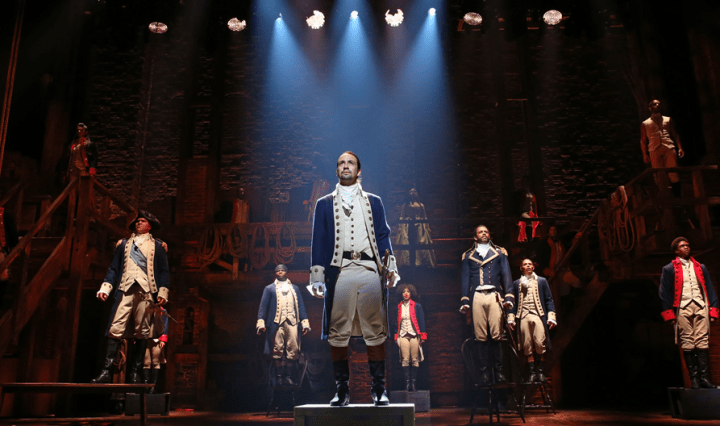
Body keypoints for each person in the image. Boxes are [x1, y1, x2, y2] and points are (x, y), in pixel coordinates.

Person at [309, 151, 400, 406]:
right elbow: (318, 240)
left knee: (375, 330)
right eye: (341, 163)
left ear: (359, 171)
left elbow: (383, 236)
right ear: (336, 170)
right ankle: (342, 390)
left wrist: (390, 267)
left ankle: (379, 389)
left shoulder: (374, 202)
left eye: (350, 163)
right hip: (340, 271)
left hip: (370, 269)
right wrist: (317, 276)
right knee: (338, 332)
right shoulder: (324, 203)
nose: (346, 166)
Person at [92, 210, 170, 384]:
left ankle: (136, 372)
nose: (138, 223)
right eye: (137, 221)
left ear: (149, 226)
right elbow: (114, 268)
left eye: (142, 221)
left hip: (146, 291)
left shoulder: (158, 246)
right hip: (125, 290)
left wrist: (163, 291)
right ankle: (106, 371)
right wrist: (106, 287)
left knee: (142, 331)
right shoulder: (124, 244)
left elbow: (164, 271)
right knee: (115, 328)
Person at [659, 237, 718, 389]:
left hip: (700, 306)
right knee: (687, 342)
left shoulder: (700, 267)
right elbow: (664, 292)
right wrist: (669, 314)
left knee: (702, 341)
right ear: (676, 251)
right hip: (683, 307)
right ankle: (694, 379)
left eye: (687, 245)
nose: (686, 247)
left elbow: (709, 288)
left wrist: (713, 310)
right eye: (682, 246)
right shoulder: (669, 269)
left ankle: (704, 378)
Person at [460, 225, 513, 384]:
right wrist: (465, 300)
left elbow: (506, 275)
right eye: (480, 232)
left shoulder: (499, 253)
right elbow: (465, 279)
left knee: (497, 333)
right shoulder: (468, 256)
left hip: (494, 294)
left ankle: (499, 371)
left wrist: (509, 296)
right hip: (477, 295)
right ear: (475, 237)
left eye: (486, 231)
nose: (484, 233)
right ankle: (484, 372)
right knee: (480, 335)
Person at [257, 264, 311, 386]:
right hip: (276, 322)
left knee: (293, 349)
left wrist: (304, 322)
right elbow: (263, 307)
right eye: (278, 271)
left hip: (292, 322)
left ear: (286, 272)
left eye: (282, 270)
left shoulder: (295, 288)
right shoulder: (269, 288)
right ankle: (278, 378)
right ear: (275, 273)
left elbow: (301, 306)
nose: (280, 272)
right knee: (277, 349)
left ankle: (288, 377)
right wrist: (261, 322)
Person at [507, 259, 557, 382]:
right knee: (527, 344)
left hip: (537, 315)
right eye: (525, 264)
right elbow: (513, 302)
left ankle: (540, 370)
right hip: (523, 316)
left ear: (533, 267)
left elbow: (549, 299)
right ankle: (532, 372)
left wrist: (551, 316)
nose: (528, 266)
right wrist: (511, 317)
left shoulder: (541, 281)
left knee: (540, 342)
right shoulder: (516, 283)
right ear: (521, 268)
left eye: (530, 264)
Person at [640, 100, 684, 196]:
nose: (657, 105)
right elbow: (643, 140)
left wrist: (680, 148)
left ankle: (678, 196)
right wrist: (644, 154)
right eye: (654, 104)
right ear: (650, 108)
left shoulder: (668, 119)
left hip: (669, 147)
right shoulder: (645, 123)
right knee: (658, 174)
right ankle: (664, 196)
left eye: (659, 104)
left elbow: (675, 134)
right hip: (654, 148)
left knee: (673, 171)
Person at [394, 284, 427, 392]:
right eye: (404, 292)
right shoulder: (398, 307)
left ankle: (413, 384)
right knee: (405, 359)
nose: (406, 294)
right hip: (403, 335)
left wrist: (423, 335)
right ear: (401, 294)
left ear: (411, 293)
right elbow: (395, 323)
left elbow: (421, 320)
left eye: (408, 291)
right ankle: (407, 384)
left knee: (415, 359)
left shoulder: (417, 306)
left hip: (414, 335)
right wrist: (396, 337)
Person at [395, 188, 436, 267]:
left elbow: (424, 216)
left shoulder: (421, 205)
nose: (413, 193)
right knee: (407, 242)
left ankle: (420, 262)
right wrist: (400, 227)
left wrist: (426, 227)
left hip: (419, 226)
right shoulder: (405, 205)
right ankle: (408, 263)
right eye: (411, 191)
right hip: (408, 226)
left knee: (420, 242)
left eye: (414, 191)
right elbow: (402, 216)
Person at [143, 304, 169, 393]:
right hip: (146, 338)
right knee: (146, 362)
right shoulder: (146, 309)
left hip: (157, 339)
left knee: (155, 361)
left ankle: (153, 386)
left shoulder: (162, 311)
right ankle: (146, 385)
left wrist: (163, 339)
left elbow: (165, 325)